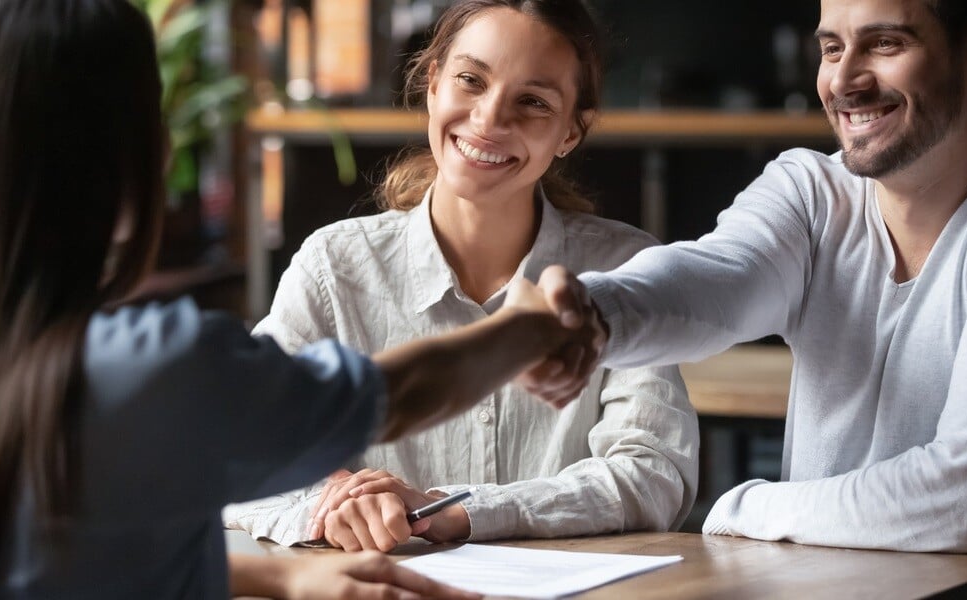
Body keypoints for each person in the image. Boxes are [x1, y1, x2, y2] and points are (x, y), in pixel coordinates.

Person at [521, 0, 967, 598]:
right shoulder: (812, 190)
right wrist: (591, 314)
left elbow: (963, 501)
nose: (843, 80)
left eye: (885, 43)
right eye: (831, 47)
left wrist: (743, 506)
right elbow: (710, 279)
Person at [0, 0, 589, 597]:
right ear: (139, 158)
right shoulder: (153, 366)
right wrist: (527, 331)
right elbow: (393, 396)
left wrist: (278, 574)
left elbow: (97, 561)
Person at [223, 0, 698, 551]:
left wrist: (451, 509)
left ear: (572, 130)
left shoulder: (626, 270)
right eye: (471, 80)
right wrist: (332, 502)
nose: (490, 119)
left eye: (533, 102)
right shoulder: (333, 268)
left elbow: (653, 474)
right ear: (432, 84)